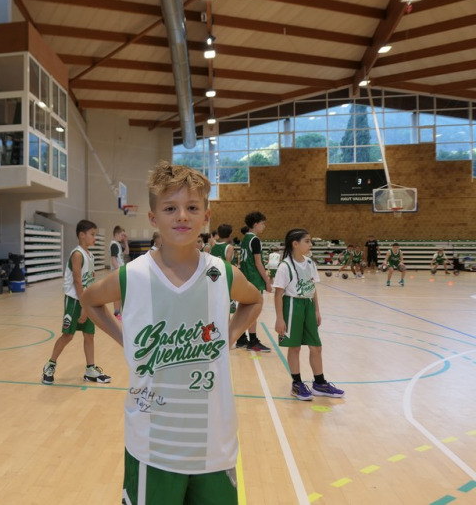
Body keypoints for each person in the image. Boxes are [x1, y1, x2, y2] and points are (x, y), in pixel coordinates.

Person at [80, 161, 264, 505]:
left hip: (214, 444)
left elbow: (253, 300)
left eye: (192, 207)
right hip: (152, 445)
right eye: (170, 208)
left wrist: (229, 336)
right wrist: (124, 339)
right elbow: (89, 300)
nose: (182, 216)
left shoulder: (221, 273)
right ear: (153, 218)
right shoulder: (133, 275)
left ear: (206, 215)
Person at [273, 228, 345, 401]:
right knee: (295, 347)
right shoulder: (285, 266)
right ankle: (297, 384)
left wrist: (317, 310)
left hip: (309, 305)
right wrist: (279, 319)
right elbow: (278, 295)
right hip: (292, 306)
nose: (310, 244)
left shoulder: (310, 263)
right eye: (307, 241)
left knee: (316, 347)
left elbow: (313, 289)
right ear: (295, 244)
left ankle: (319, 383)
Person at [42, 219, 111, 385]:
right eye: (92, 234)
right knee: (68, 335)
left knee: (89, 335)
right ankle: (50, 365)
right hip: (75, 301)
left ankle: (90, 369)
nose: (95, 238)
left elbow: (89, 282)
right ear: (82, 235)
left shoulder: (90, 255)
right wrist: (84, 305)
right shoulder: (77, 254)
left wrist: (92, 301)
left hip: (87, 300)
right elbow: (78, 281)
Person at [237, 212, 272, 352]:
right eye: (263, 223)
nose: (264, 226)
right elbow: (258, 263)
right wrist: (267, 281)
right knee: (253, 311)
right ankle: (252, 341)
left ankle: (241, 338)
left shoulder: (245, 238)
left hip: (245, 278)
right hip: (254, 279)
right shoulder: (255, 240)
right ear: (256, 224)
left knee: (244, 310)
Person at [110, 225, 129, 319]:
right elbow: (113, 259)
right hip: (117, 272)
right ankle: (117, 312)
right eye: (121, 235)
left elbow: (127, 252)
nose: (122, 237)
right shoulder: (114, 244)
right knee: (117, 294)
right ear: (116, 234)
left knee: (120, 293)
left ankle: (119, 311)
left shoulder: (118, 244)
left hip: (120, 271)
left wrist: (125, 241)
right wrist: (118, 271)